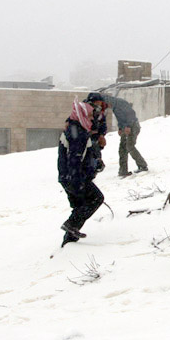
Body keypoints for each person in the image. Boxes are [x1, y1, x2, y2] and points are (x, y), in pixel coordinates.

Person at [57, 98, 107, 246]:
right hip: (75, 178)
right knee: (96, 198)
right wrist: (78, 182)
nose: (92, 119)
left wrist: (95, 164)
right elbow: (75, 160)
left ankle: (69, 241)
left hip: (68, 177)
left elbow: (82, 157)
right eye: (90, 116)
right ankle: (71, 226)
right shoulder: (78, 134)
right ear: (82, 116)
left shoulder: (75, 129)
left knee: (80, 207)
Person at [97, 91, 148, 177]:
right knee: (122, 149)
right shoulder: (114, 106)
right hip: (125, 128)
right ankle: (123, 171)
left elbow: (131, 115)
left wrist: (128, 126)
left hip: (133, 126)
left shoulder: (120, 103)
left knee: (130, 146)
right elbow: (121, 119)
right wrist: (120, 128)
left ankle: (142, 166)